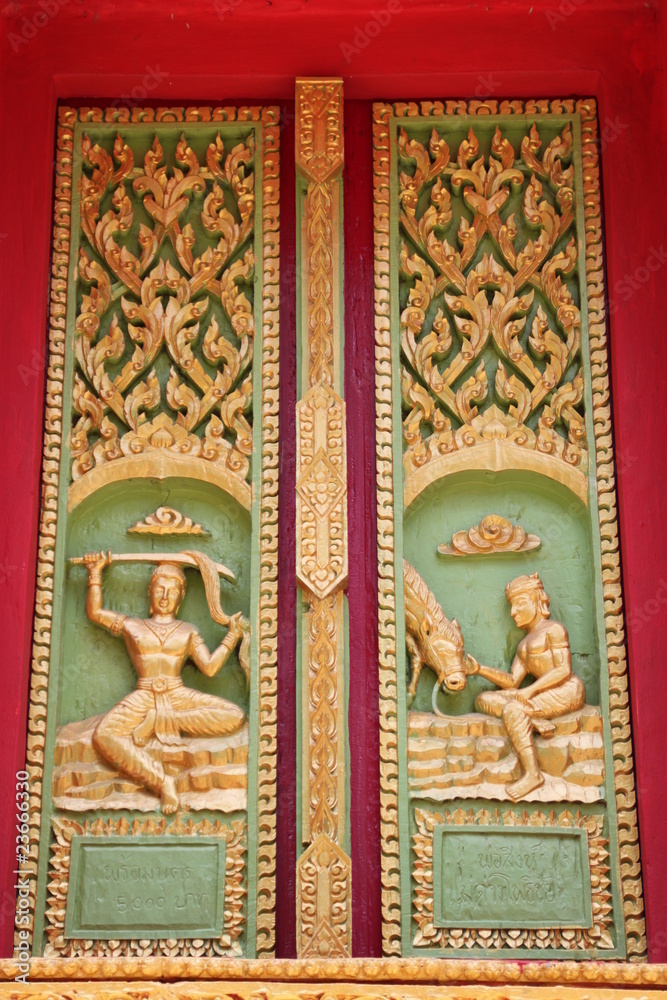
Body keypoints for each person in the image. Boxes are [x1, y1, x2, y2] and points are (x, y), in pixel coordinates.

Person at [82, 551, 246, 814]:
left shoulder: (188, 631)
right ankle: (160, 781)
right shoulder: (132, 626)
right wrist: (94, 572)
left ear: (181, 597)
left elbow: (210, 668)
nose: (165, 596)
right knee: (103, 735)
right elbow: (95, 612)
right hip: (144, 694)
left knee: (234, 715)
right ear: (150, 592)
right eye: (159, 589)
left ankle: (161, 720)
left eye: (173, 591)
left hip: (178, 693)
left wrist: (232, 637)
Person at [465, 573, 585, 800]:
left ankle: (532, 774)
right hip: (539, 695)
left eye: (520, 604)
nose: (513, 612)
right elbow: (512, 681)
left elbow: (563, 670)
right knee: (484, 699)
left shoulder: (554, 629)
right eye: (512, 606)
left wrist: (531, 691)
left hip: (567, 690)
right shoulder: (523, 645)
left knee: (513, 709)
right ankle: (533, 718)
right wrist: (479, 669)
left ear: (537, 601)